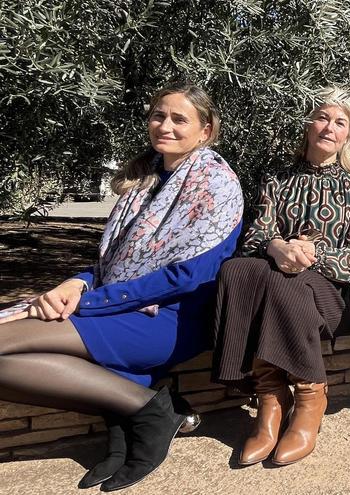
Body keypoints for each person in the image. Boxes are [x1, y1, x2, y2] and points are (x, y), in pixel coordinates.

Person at [0, 82, 243, 491]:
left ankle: (148, 411)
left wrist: (90, 303)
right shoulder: (146, 179)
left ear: (205, 131)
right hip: (121, 308)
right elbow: (111, 263)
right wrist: (75, 283)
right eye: (158, 115)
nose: (165, 125)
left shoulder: (215, 184)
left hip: (170, 319)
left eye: (179, 118)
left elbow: (187, 276)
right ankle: (139, 406)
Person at [212, 87, 350, 467]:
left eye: (339, 122)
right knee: (237, 268)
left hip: (326, 290)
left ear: (348, 135)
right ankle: (270, 398)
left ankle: (308, 396)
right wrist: (277, 247)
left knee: (287, 283)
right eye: (322, 117)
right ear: (309, 123)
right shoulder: (278, 178)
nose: (329, 127)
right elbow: (255, 233)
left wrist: (312, 255)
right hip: (275, 272)